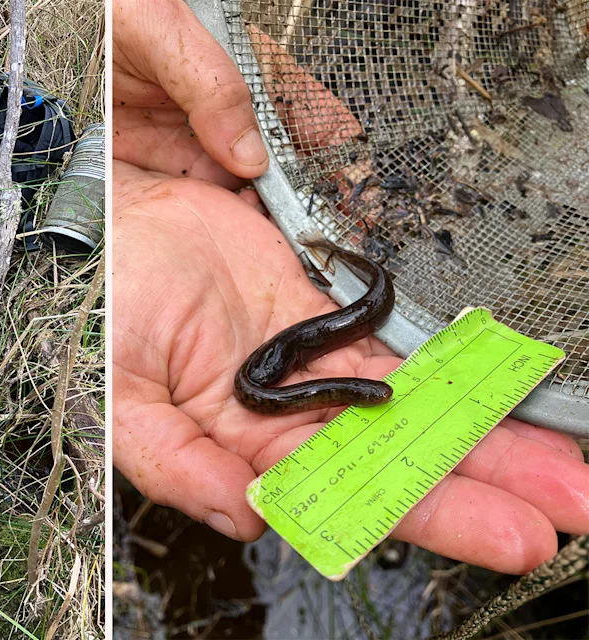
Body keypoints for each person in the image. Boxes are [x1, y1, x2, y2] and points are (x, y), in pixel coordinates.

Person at [112, 0, 589, 574]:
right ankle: (354, 293)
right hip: (272, 368)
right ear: (350, 399)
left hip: (279, 356)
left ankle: (356, 289)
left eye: (365, 395)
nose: (372, 395)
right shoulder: (272, 387)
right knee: (330, 330)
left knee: (343, 319)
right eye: (365, 396)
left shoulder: (277, 383)